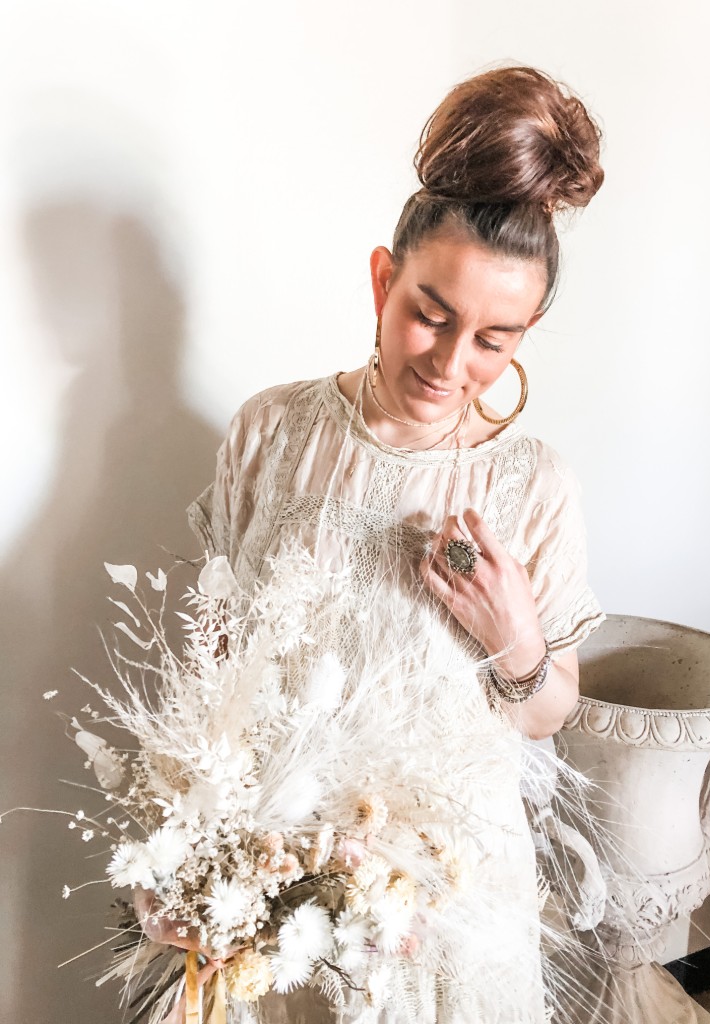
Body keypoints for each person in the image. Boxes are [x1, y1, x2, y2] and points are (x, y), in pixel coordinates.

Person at [186, 64, 605, 1024]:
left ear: (525, 333)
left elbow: (549, 711)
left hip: (446, 895)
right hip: (273, 870)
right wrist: (199, 839)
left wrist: (517, 640)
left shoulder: (533, 484)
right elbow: (211, 659)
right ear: (384, 278)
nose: (452, 366)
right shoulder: (269, 432)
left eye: (494, 340)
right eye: (430, 314)